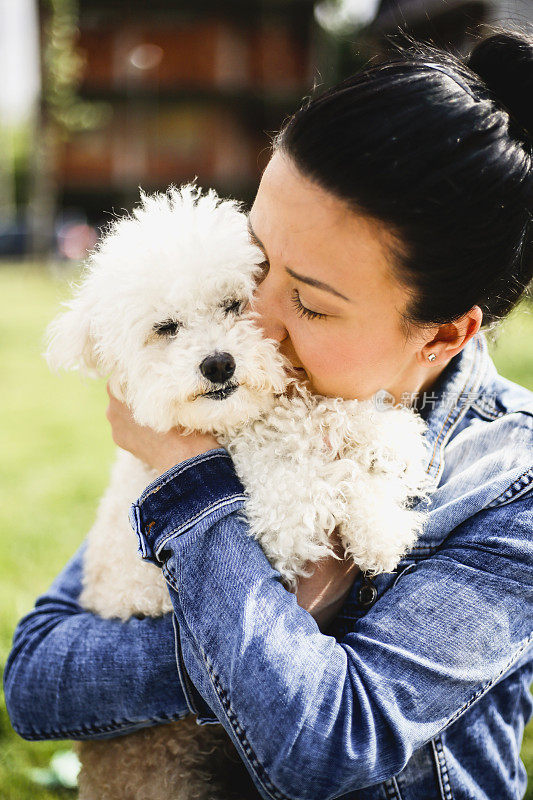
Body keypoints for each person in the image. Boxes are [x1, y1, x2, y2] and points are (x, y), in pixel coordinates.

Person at [4, 27, 533, 800]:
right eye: (257, 263)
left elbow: (325, 743)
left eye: (311, 303)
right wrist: (259, 638)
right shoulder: (237, 407)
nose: (257, 322)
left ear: (444, 333)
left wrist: (188, 480)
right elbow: (39, 681)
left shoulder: (512, 493)